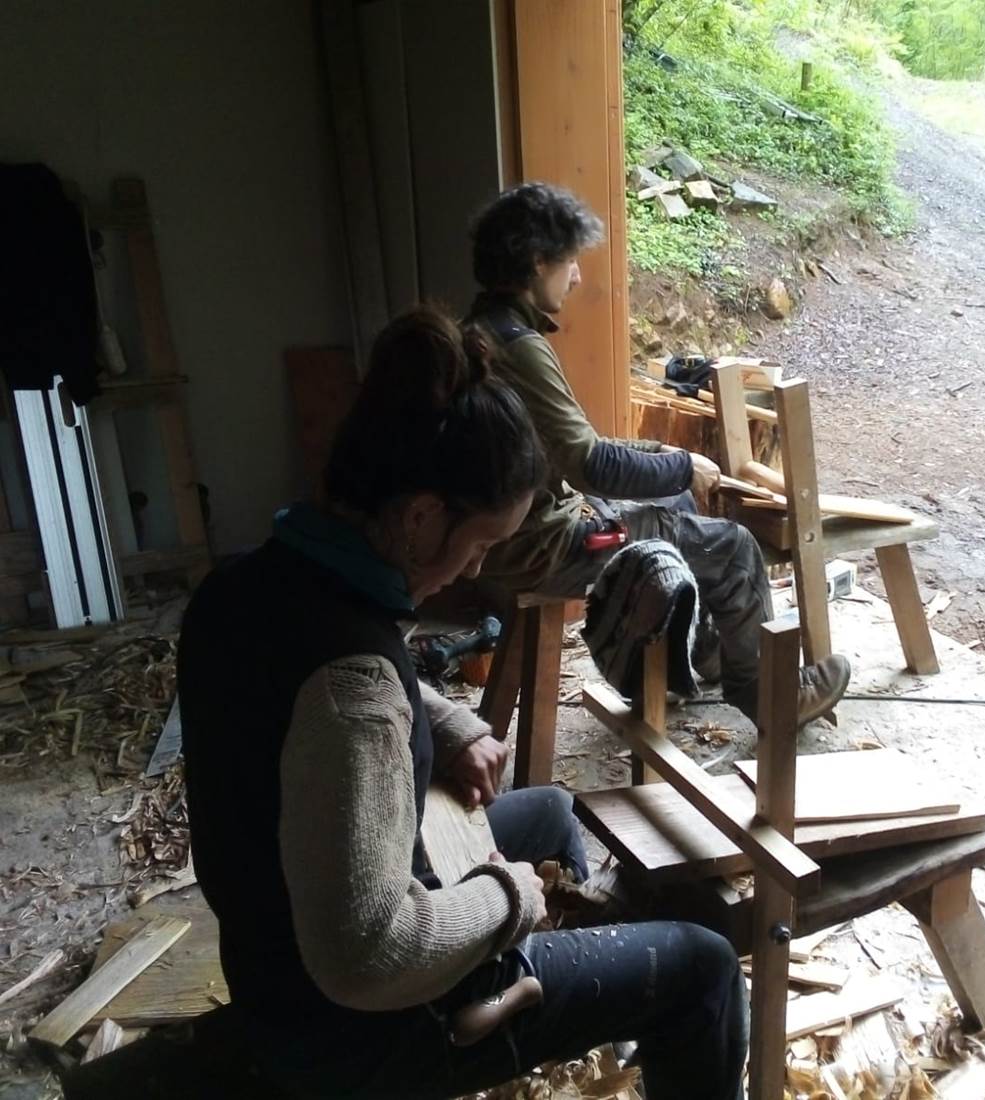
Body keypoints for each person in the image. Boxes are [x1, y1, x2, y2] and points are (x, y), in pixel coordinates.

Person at [177, 307, 747, 1099]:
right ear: (419, 519)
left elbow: (315, 693)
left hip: (274, 951)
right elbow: (368, 954)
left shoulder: (246, 583)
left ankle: (530, 979)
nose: (471, 568)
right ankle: (499, 996)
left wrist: (444, 723)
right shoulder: (354, 697)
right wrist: (509, 897)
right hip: (352, 1033)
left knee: (549, 810)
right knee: (703, 966)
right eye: (478, 546)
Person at [468, 181, 850, 725]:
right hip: (542, 545)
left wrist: (663, 454)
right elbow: (589, 463)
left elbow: (571, 446)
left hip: (513, 533)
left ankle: (709, 653)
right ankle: (770, 696)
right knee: (735, 548)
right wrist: (681, 464)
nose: (577, 276)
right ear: (536, 263)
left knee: (681, 507)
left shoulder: (481, 329)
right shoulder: (521, 350)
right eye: (570, 261)